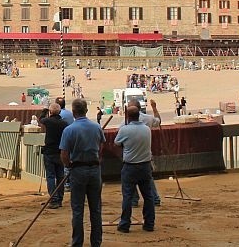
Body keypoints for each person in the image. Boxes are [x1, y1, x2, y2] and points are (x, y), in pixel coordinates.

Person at [59, 98, 105, 247]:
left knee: (78, 209)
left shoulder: (69, 130)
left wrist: (69, 165)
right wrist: (98, 157)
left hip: (78, 169)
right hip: (94, 170)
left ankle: (77, 242)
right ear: (86, 110)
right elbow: (101, 145)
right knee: (95, 208)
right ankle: (96, 242)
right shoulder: (96, 127)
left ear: (73, 112)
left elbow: (64, 154)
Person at [114, 105, 155, 234]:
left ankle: (125, 224)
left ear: (128, 117)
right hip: (145, 165)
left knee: (127, 196)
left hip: (130, 166)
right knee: (148, 196)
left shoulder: (124, 129)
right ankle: (149, 223)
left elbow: (117, 143)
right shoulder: (146, 129)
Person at [125, 98, 162, 207]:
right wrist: (154, 108)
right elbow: (158, 121)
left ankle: (135, 200)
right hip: (145, 154)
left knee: (130, 180)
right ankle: (154, 199)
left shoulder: (125, 123)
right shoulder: (148, 119)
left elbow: (118, 141)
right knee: (147, 179)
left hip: (131, 156)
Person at [40, 103, 68, 209]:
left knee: (51, 176)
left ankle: (53, 198)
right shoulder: (64, 123)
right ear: (60, 112)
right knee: (60, 176)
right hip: (60, 152)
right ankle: (59, 198)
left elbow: (41, 118)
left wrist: (45, 110)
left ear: (50, 112)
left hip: (49, 152)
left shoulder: (48, 121)